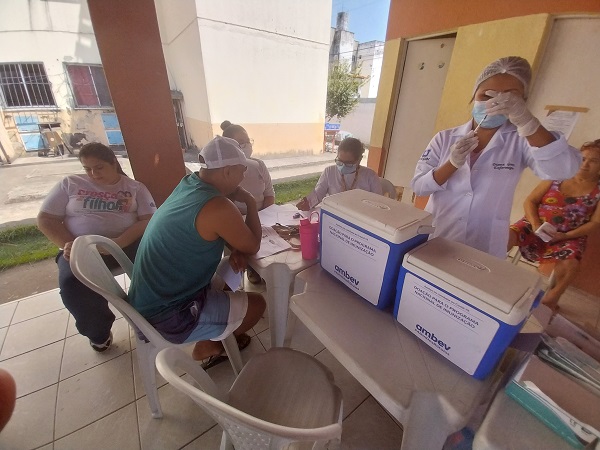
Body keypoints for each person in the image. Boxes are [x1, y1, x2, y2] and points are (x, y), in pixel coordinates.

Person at [411, 56, 581, 258]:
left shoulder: (521, 140)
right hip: (438, 235)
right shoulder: (445, 138)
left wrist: (528, 123)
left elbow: (563, 169)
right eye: (486, 96)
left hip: (484, 246)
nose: (494, 104)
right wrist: (452, 164)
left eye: (509, 97)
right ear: (473, 96)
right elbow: (419, 186)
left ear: (523, 101)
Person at [128, 136, 266, 366]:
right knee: (258, 304)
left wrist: (237, 246)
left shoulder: (189, 183)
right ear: (228, 171)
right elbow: (252, 245)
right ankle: (208, 346)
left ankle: (216, 327)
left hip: (152, 297)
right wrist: (250, 203)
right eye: (242, 171)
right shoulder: (218, 206)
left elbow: (209, 232)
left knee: (230, 270)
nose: (244, 178)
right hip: (168, 313)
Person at [37, 143, 156, 352]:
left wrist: (118, 243)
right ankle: (98, 331)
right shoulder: (70, 184)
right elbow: (46, 219)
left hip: (125, 243)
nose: (93, 173)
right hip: (79, 248)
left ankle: (156, 314)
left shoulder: (135, 188)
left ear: (113, 163)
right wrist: (71, 244)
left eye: (99, 167)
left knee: (156, 266)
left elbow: (148, 219)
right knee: (72, 284)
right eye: (87, 168)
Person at [508, 140, 600, 312]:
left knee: (571, 263)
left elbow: (595, 223)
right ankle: (491, 274)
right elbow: (531, 201)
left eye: (593, 161)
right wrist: (535, 224)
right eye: (583, 158)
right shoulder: (559, 175)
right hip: (534, 224)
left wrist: (565, 236)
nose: (585, 164)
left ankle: (552, 297)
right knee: (505, 235)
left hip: (569, 235)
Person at [221, 120, 274, 284]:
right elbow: (225, 208)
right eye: (241, 143)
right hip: (235, 222)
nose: (246, 146)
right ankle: (242, 276)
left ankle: (263, 271)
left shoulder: (259, 165)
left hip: (261, 217)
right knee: (234, 271)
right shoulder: (226, 173)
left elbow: (269, 195)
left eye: (247, 141)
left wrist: (264, 217)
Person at [296, 137, 382, 210]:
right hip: (335, 214)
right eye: (340, 161)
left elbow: (378, 204)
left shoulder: (370, 176)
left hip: (361, 217)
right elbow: (318, 194)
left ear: (359, 160)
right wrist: (308, 203)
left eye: (348, 163)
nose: (343, 166)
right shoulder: (329, 172)